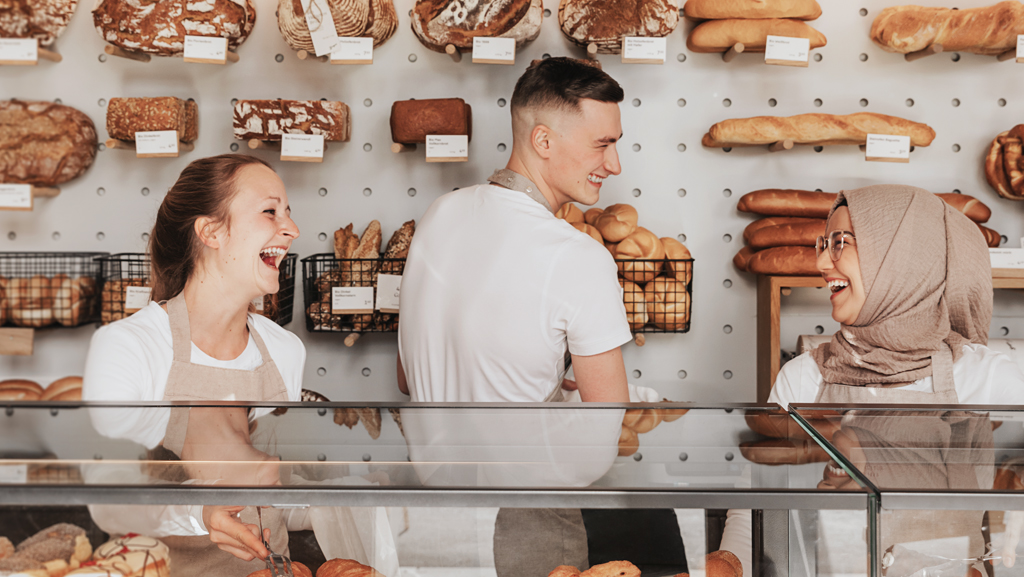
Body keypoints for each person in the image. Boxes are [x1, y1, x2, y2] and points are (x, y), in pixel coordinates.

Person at [397, 57, 686, 576]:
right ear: (544, 141)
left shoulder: (441, 213)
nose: (615, 164)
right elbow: (600, 440)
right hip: (527, 521)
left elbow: (407, 373)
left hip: (425, 515)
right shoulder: (578, 255)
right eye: (603, 144)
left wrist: (539, 377)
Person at [718, 184, 1024, 577]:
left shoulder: (986, 378)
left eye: (841, 242)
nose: (823, 263)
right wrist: (727, 567)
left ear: (903, 258)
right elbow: (757, 517)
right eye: (822, 244)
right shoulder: (802, 379)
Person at [82, 154, 305, 575]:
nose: (292, 229)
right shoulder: (131, 347)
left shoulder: (284, 350)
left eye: (289, 213)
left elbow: (269, 486)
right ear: (211, 232)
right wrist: (200, 510)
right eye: (270, 211)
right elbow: (107, 503)